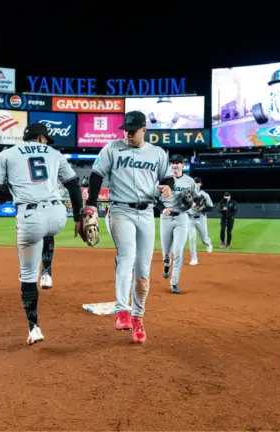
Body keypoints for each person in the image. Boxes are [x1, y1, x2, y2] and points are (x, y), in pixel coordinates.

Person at [0, 122, 85, 345]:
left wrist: (8, 196)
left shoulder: (7, 154)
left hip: (30, 218)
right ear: (41, 138)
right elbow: (74, 185)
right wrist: (78, 218)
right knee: (48, 230)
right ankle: (47, 272)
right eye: (46, 139)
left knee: (27, 276)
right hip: (58, 214)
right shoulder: (55, 153)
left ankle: (34, 328)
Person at [83, 111, 173, 343]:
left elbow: (167, 178)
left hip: (145, 213)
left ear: (145, 130)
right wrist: (92, 205)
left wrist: (167, 187)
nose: (128, 133)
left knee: (143, 270)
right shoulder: (112, 148)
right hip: (120, 210)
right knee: (127, 256)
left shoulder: (157, 153)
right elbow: (96, 175)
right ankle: (122, 310)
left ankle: (138, 317)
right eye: (126, 129)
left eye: (133, 130)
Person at [157, 154, 202, 294]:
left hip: (182, 218)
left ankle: (174, 282)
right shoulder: (164, 179)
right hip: (165, 219)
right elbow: (155, 199)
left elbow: (198, 198)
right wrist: (162, 209)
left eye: (178, 163)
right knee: (166, 253)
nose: (175, 165)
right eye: (173, 162)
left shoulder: (189, 181)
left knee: (178, 251)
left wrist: (194, 204)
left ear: (183, 165)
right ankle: (166, 264)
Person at [187, 177, 214, 265]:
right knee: (192, 238)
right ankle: (194, 259)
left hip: (201, 218)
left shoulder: (204, 195)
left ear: (200, 184)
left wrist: (202, 208)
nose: (195, 184)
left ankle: (208, 243)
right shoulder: (187, 194)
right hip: (190, 219)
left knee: (204, 238)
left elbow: (211, 207)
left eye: (197, 182)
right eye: (194, 182)